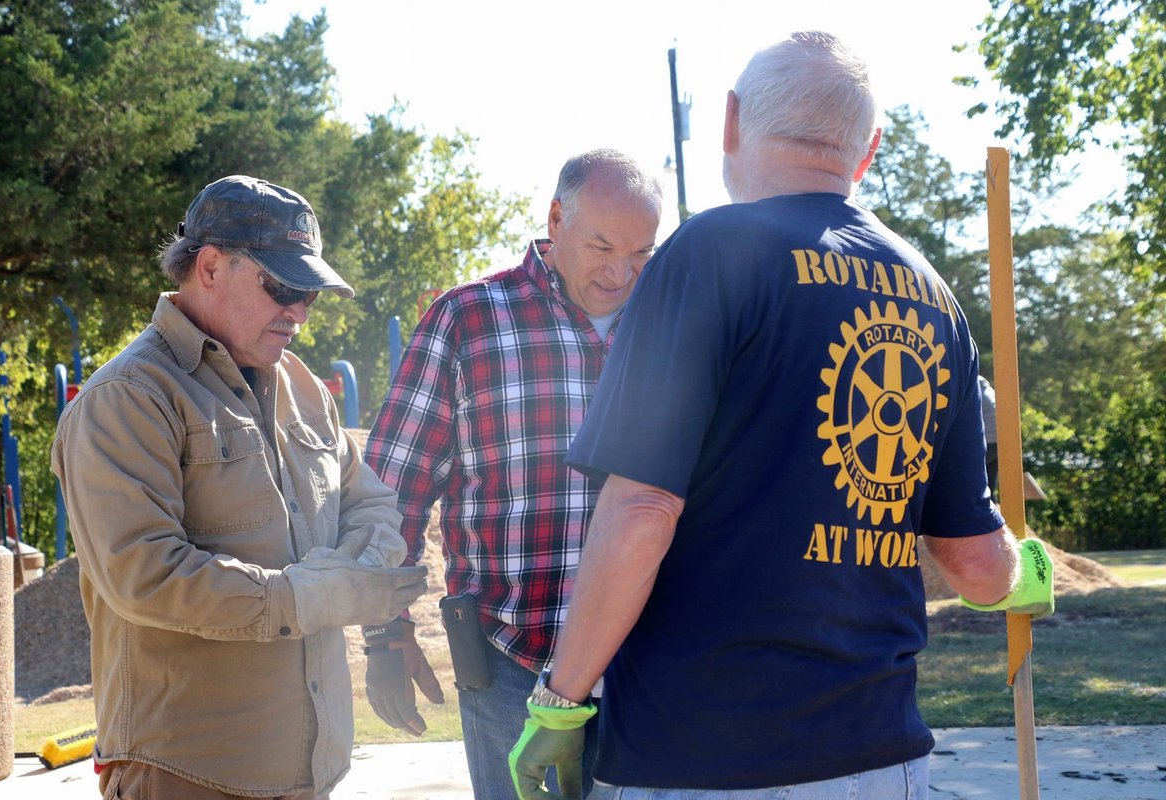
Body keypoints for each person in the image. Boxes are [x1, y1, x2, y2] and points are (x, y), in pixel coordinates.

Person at [509, 32, 1054, 799]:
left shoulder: (710, 253)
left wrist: (562, 702)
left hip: (702, 753)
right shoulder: (934, 297)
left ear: (730, 122)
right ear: (867, 150)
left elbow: (639, 509)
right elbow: (973, 561)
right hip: (880, 754)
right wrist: (1027, 572)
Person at [51, 175, 430, 800]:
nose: (299, 311)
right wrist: (301, 599)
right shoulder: (129, 398)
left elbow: (369, 502)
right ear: (209, 266)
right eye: (282, 285)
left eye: (309, 293)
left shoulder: (302, 387)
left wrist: (358, 571)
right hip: (191, 771)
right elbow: (141, 574)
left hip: (312, 766)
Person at [362, 148, 663, 799]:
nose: (621, 273)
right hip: (512, 668)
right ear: (557, 219)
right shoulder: (468, 320)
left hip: (654, 675)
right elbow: (391, 494)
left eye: (642, 253)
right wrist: (385, 638)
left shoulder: (671, 329)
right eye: (603, 246)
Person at [979, 375, 999, 495]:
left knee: (970, 478)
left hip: (987, 442)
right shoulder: (991, 391)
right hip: (999, 443)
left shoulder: (975, 391)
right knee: (990, 486)